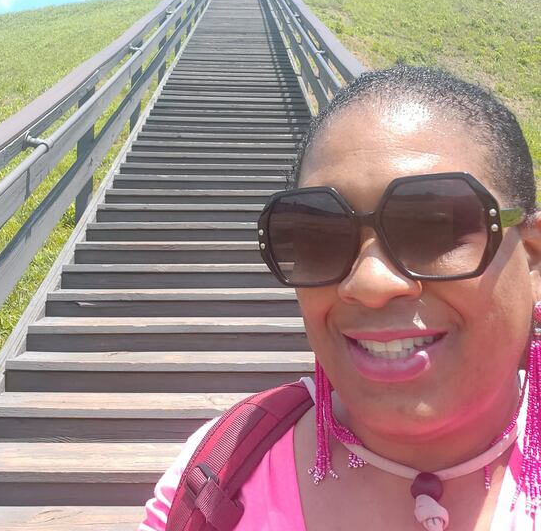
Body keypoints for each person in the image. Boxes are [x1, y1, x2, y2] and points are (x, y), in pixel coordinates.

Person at [139, 65, 541, 530]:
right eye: (318, 235)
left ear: (532, 259)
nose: (367, 283)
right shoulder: (220, 473)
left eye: (434, 227)